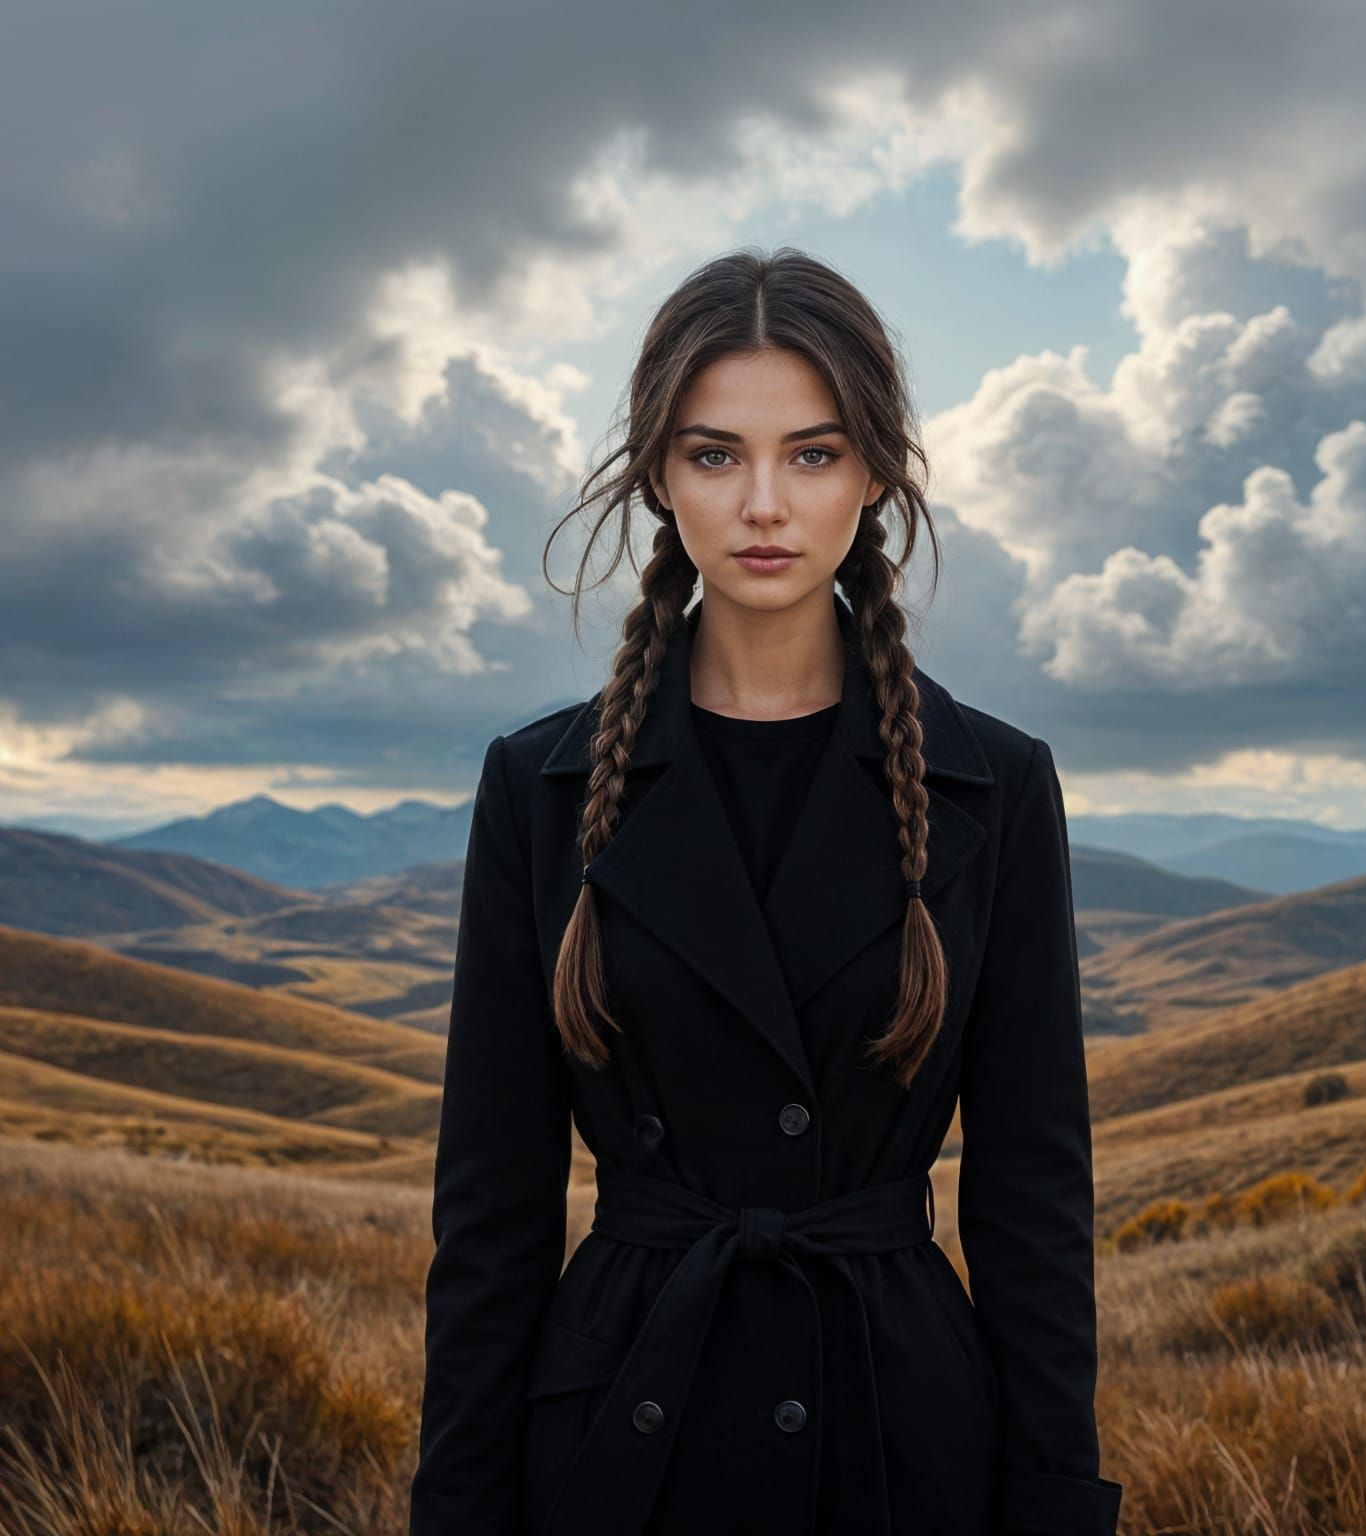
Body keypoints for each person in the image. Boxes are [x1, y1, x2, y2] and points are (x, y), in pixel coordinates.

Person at [408, 247, 1122, 1536]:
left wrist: (1057, 1506)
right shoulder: (538, 788)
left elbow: (1034, 1207)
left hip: (899, 1432)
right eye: (714, 455)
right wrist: (457, 1510)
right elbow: (490, 1214)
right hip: (622, 1430)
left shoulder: (997, 786)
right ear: (657, 475)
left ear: (875, 474)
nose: (763, 505)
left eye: (813, 454)